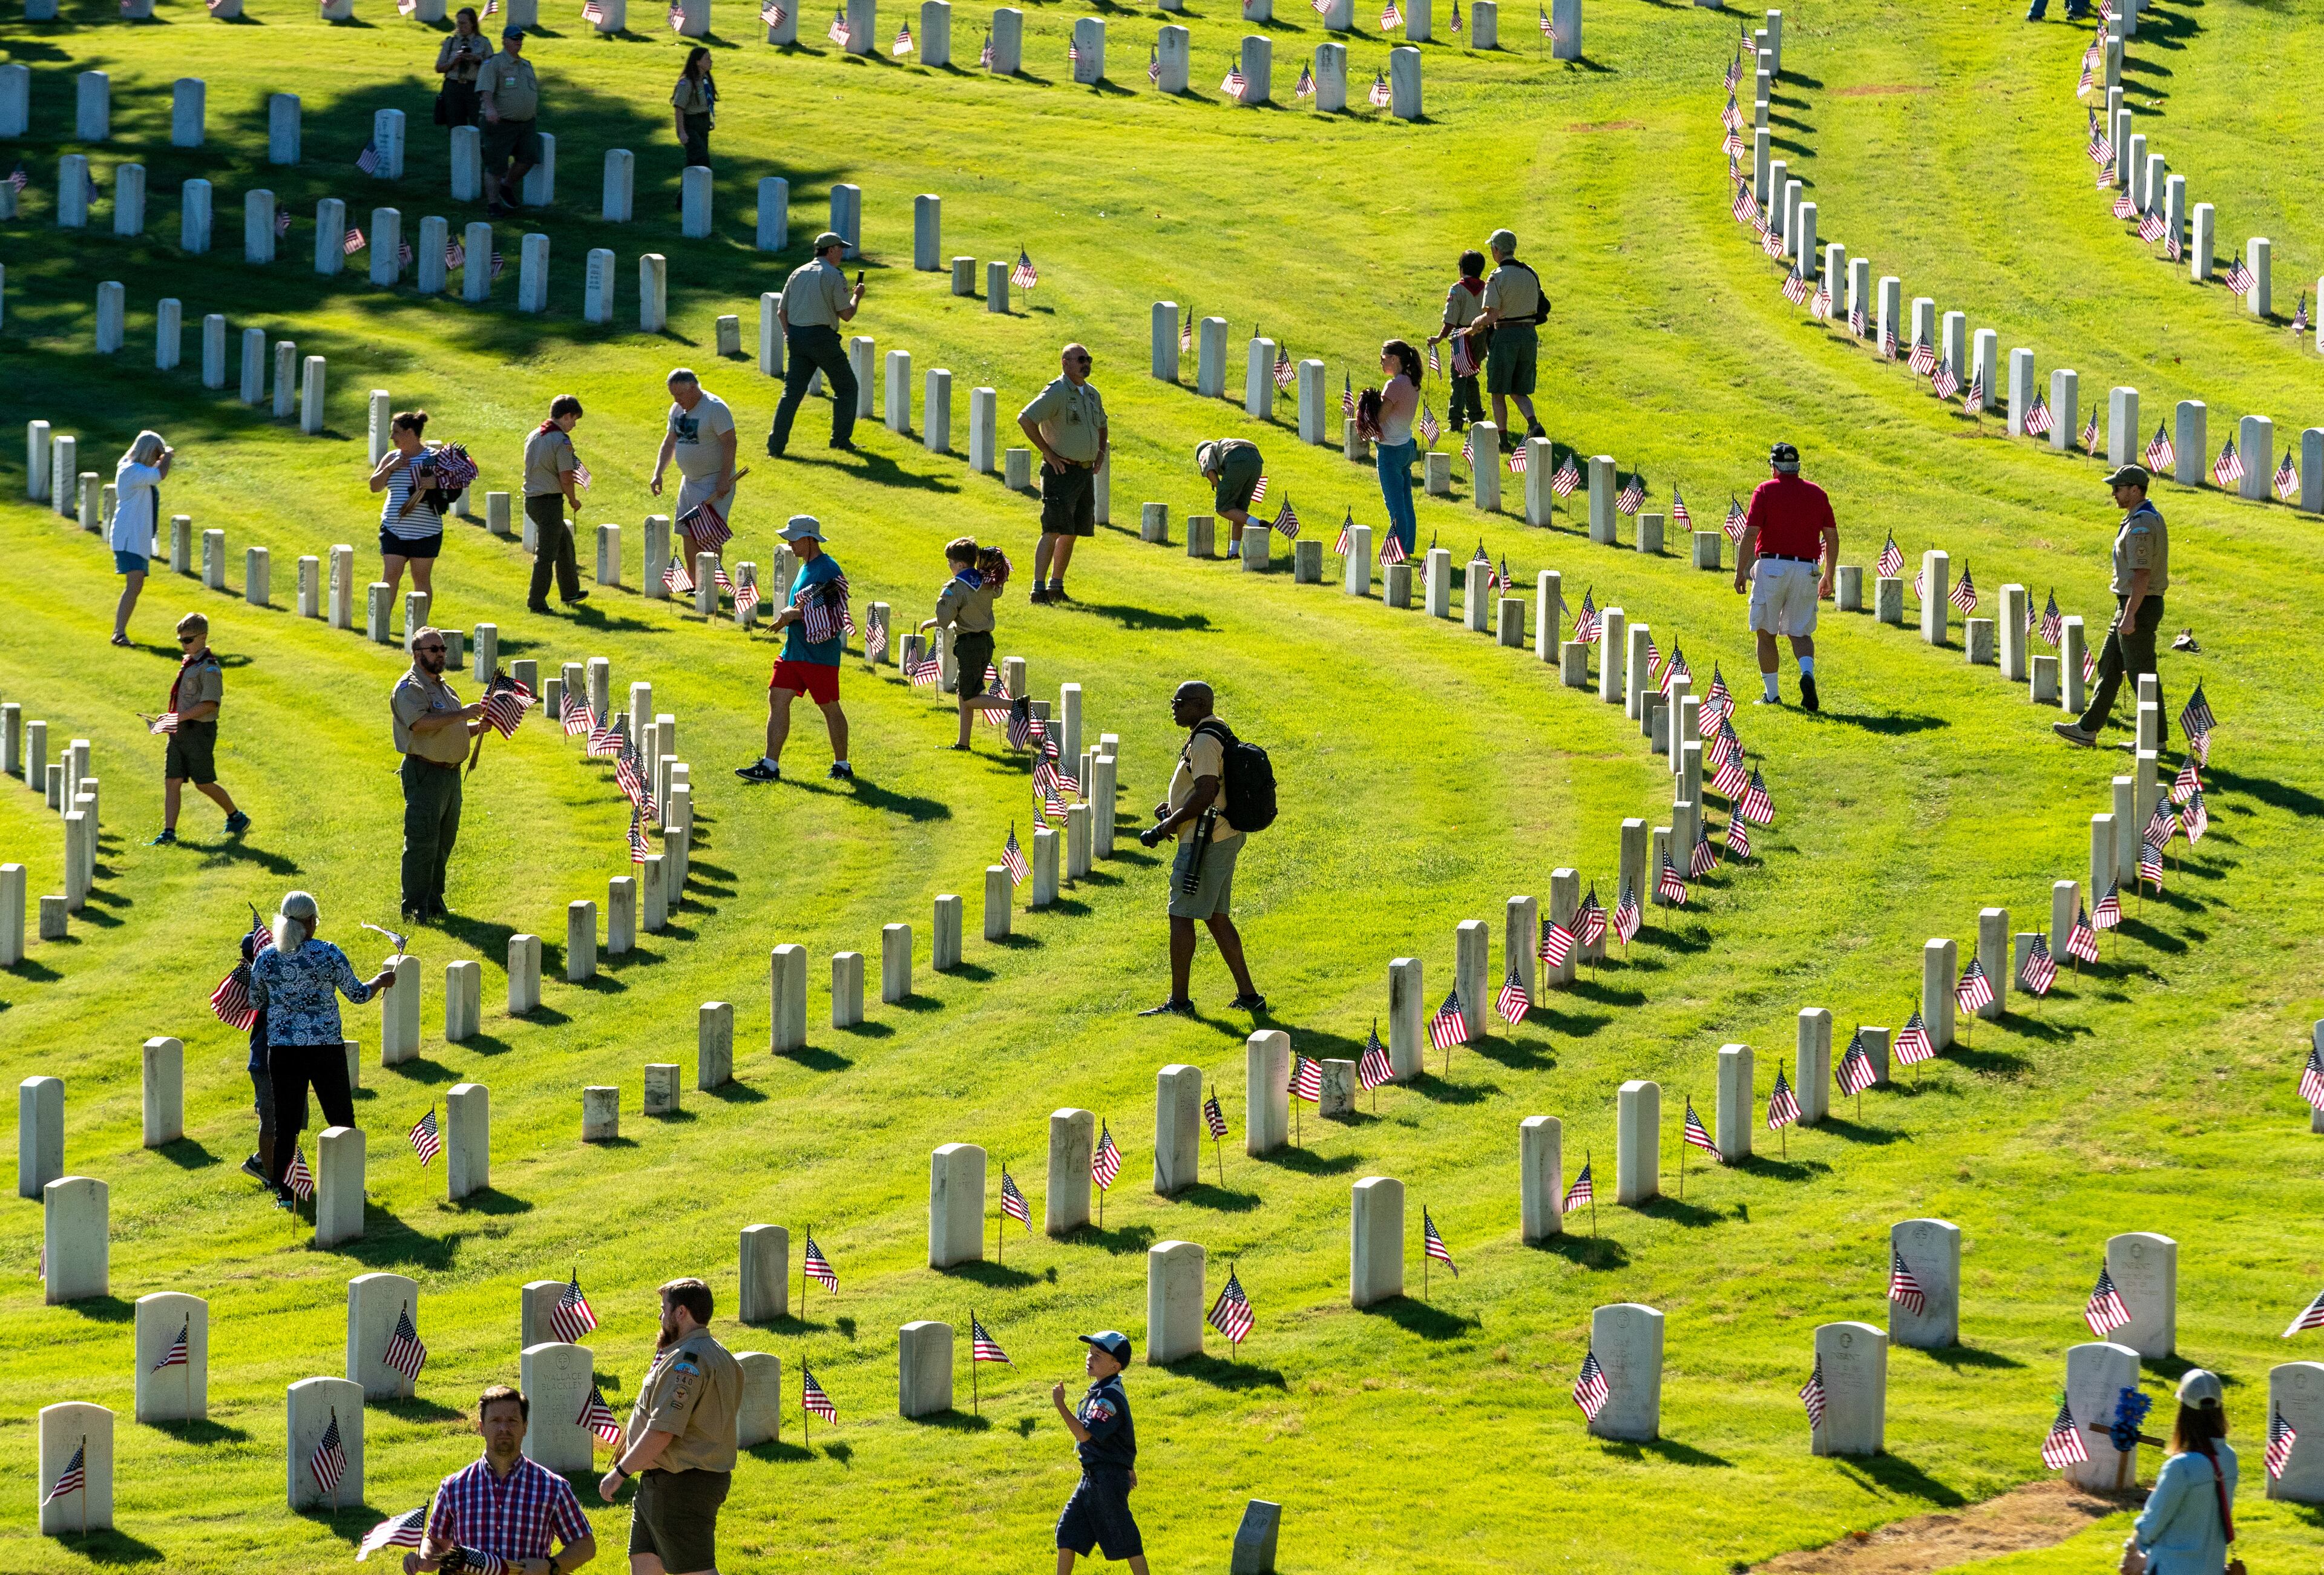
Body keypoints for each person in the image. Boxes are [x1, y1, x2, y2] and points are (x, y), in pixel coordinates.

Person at [246, 890, 395, 1207]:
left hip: (284, 1051)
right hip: (325, 1048)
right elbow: (356, 994)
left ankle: (287, 1196)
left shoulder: (268, 957)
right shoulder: (328, 954)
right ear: (311, 922)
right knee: (341, 1117)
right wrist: (380, 981)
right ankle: (350, 1186)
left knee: (286, 1125)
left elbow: (256, 1001)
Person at [1135, 682, 1262, 1018]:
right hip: (1220, 836)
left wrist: (1167, 826)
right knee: (1217, 918)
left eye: (1179, 703)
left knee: (1180, 913)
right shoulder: (1213, 731)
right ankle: (1250, 997)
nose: (1173, 708)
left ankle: (1180, 1003)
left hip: (1207, 841)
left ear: (1199, 704)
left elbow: (1206, 791)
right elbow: (1204, 788)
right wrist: (1175, 807)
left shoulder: (1205, 740)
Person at [598, 1278, 741, 1575]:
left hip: (682, 1485)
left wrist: (619, 1473)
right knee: (644, 1563)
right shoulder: (722, 1355)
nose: (660, 1317)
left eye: (664, 1309)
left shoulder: (686, 1362)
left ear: (681, 1313)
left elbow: (664, 1429)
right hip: (664, 1483)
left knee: (695, 1571)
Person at [409, 1386, 597, 1575]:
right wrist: (423, 1558)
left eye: (512, 1421)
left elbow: (585, 1545)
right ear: (481, 1428)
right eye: (495, 1421)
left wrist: (551, 1566)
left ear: (525, 1427)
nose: (504, 1428)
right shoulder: (454, 1487)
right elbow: (436, 1542)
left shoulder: (552, 1488)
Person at [2055, 463, 2169, 749]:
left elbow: (2142, 575)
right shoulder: (2138, 518)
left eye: (2118, 488)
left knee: (2140, 673)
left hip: (2139, 605)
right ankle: (2087, 728)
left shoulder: (2142, 524)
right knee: (2109, 664)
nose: (2114, 494)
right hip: (2131, 604)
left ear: (2135, 490)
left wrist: (2130, 615)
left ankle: (2154, 738)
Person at [736, 519, 851, 783]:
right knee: (777, 698)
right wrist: (792, 616)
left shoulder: (828, 569)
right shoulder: (806, 567)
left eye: (794, 538)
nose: (789, 543)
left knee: (829, 707)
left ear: (810, 539)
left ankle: (842, 765)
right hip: (794, 652)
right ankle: (770, 766)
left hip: (818, 656)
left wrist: (794, 614)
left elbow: (833, 613)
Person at [1733, 441, 1837, 711]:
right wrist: (1829, 574)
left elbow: (1751, 532)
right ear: (1797, 466)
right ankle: (1807, 674)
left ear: (1774, 467)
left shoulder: (1765, 491)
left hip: (1773, 567)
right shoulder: (1818, 493)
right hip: (1808, 569)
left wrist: (1741, 570)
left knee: (1766, 632)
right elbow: (1831, 535)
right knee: (1801, 632)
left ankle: (1772, 694)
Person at [393, 628, 485, 921]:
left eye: (443, 648)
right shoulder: (410, 688)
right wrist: (463, 715)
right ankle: (414, 908)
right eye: (434, 649)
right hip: (425, 773)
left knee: (444, 841)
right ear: (417, 654)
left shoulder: (445, 687)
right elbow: (420, 725)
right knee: (422, 842)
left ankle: (434, 903)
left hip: (450, 776)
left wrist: (475, 728)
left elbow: (449, 729)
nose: (441, 654)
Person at [1017, 343, 1109, 604]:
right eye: (1081, 359)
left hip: (1083, 472)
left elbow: (1103, 425)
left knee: (1072, 531)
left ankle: (1056, 586)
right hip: (1061, 471)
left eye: (1088, 359)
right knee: (1053, 529)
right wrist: (1049, 453)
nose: (1086, 364)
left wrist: (1100, 454)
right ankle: (1038, 589)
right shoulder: (1057, 392)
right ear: (1065, 363)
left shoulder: (1092, 394)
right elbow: (1026, 419)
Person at [1051, 1330, 1149, 1575]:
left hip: (1107, 1480)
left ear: (1115, 1366)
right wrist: (1129, 1464)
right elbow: (1121, 1438)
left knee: (1126, 1539)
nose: (1090, 1358)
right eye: (1090, 1352)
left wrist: (1060, 1405)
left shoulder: (1109, 1398)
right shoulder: (1100, 1389)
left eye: (1098, 1355)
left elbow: (1085, 1435)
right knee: (1067, 1533)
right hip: (1092, 1477)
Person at [2125, 1369, 2237, 1575]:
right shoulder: (2229, 1458)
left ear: (2183, 1414)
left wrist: (2131, 1551)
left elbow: (2152, 1524)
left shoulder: (2180, 1467)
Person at [151, 612, 250, 845]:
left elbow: (209, 705)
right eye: (181, 641)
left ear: (203, 637)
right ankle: (168, 833)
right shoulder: (189, 663)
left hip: (199, 733)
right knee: (172, 780)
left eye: (188, 640)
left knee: (203, 782)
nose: (184, 645)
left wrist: (177, 718)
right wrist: (168, 719)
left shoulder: (210, 669)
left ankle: (236, 817)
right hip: (180, 731)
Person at [767, 233, 864, 456]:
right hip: (822, 339)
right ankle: (840, 441)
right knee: (847, 387)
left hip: (797, 338)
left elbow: (782, 311)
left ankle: (775, 447)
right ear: (830, 251)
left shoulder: (797, 273)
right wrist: (857, 296)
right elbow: (847, 314)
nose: (842, 253)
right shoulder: (833, 275)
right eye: (840, 249)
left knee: (791, 394)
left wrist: (788, 335)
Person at [918, 538, 1015, 751]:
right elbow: (997, 591)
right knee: (964, 693)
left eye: (951, 563)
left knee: (970, 697)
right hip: (986, 643)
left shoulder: (956, 587)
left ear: (961, 565)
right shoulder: (986, 581)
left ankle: (1016, 706)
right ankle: (963, 743)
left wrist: (933, 621)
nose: (949, 566)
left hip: (968, 645)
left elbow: (945, 619)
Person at [652, 369, 738, 573]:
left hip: (713, 481)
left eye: (680, 395)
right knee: (687, 531)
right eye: (673, 395)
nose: (677, 399)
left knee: (708, 534)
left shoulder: (715, 409)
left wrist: (724, 478)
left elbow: (730, 442)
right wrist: (658, 473)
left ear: (692, 388)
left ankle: (709, 584)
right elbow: (670, 442)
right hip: (689, 482)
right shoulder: (677, 410)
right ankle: (695, 583)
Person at [1468, 228, 1548, 446]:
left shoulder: (1497, 277)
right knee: (1519, 388)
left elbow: (1492, 314)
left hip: (1505, 335)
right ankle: (1533, 424)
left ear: (1496, 250)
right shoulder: (1530, 272)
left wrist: (1477, 323)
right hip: (1529, 335)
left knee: (1498, 390)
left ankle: (1503, 441)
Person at [370, 409, 446, 607]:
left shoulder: (434, 458)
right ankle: (381, 624)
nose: (391, 437)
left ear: (410, 433)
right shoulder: (391, 458)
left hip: (426, 532)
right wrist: (390, 468)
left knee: (421, 579)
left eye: (395, 432)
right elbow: (374, 487)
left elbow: (451, 491)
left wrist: (436, 484)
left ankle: (420, 628)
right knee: (390, 575)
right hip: (393, 529)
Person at [523, 395, 588, 613]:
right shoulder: (560, 440)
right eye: (574, 419)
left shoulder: (534, 435)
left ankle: (570, 591)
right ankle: (537, 602)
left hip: (532, 500)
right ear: (566, 415)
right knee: (546, 555)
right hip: (549, 502)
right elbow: (566, 476)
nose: (575, 425)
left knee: (564, 544)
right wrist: (573, 499)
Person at [110, 430, 171, 646]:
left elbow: (154, 472)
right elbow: (159, 475)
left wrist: (161, 456)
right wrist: (169, 456)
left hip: (134, 536)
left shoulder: (133, 468)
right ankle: (119, 633)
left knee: (135, 586)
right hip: (129, 537)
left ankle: (120, 632)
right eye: (156, 455)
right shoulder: (132, 471)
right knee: (134, 586)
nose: (158, 460)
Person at [475, 25, 541, 218]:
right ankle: (493, 204)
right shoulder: (494, 63)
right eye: (514, 38)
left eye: (521, 38)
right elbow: (485, 89)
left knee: (529, 158)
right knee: (496, 165)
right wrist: (490, 108)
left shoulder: (526, 65)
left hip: (526, 123)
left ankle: (507, 186)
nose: (518, 41)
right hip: (500, 123)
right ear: (504, 40)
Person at [1367, 340, 1423, 560]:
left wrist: (1367, 413)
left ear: (1394, 359)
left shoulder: (1394, 385)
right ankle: (1407, 549)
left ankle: (1398, 553)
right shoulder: (1411, 382)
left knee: (1395, 506)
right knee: (1406, 503)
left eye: (1383, 358)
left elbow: (1380, 418)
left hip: (1390, 450)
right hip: (1406, 447)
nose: (1380, 362)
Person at [1427, 249, 1488, 432]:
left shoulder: (1457, 289)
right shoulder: (1487, 288)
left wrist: (1440, 337)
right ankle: (1476, 415)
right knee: (1471, 375)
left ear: (1461, 269)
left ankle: (1456, 419)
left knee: (1459, 377)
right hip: (1482, 335)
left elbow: (1451, 319)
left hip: (1462, 337)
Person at [232, 926, 274, 1186]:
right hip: (266, 1060)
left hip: (290, 1058)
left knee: (288, 1126)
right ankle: (273, 1177)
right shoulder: (260, 977)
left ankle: (263, 1162)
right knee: (272, 1123)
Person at [1194, 439, 1264, 557]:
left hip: (1236, 458)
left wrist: (1220, 487)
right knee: (1239, 511)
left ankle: (1260, 524)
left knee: (1222, 507)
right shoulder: (1221, 446)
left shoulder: (1206, 450)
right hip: (1257, 460)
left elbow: (1208, 468)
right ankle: (1233, 553)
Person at [433, 8, 490, 128]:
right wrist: (453, 62)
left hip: (474, 87)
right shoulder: (451, 42)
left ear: (473, 24)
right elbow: (439, 68)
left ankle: (478, 147)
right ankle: (458, 146)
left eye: (464, 23)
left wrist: (476, 59)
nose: (460, 26)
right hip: (453, 87)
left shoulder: (483, 42)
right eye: (458, 23)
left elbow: (492, 68)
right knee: (455, 125)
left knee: (478, 124)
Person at [671, 47, 716, 174]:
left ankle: (686, 194)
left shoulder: (705, 79)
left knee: (693, 163)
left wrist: (710, 119)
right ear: (697, 62)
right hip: (691, 125)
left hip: (704, 124)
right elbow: (679, 109)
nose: (711, 61)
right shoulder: (687, 83)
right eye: (707, 58)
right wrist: (681, 132)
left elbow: (706, 101)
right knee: (702, 159)